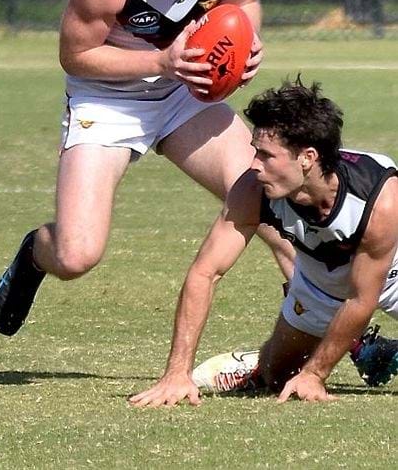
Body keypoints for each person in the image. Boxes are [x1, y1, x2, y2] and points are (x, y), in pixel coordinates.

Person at [0, 0, 296, 338]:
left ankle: (331, 337)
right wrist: (160, 63)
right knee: (76, 255)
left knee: (275, 209)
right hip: (107, 99)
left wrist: (247, 46)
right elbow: (74, 56)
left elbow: (246, 1)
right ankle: (34, 253)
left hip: (183, 92)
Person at [131, 81, 398, 405]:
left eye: (267, 155)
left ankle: (356, 347)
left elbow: (361, 299)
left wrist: (315, 374)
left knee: (307, 374)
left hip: (391, 275)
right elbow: (205, 272)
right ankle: (281, 360)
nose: (254, 163)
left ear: (307, 158)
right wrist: (177, 373)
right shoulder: (252, 190)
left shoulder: (378, 197)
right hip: (320, 284)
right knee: (277, 377)